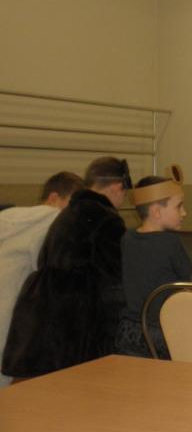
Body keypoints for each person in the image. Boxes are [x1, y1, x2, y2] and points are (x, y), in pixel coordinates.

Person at [2, 157, 131, 379]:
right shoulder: (107, 218)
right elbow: (114, 278)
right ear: (117, 188)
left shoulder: (66, 213)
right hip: (81, 315)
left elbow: (44, 259)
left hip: (46, 309)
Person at [0, 171, 84, 386]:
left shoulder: (8, 217)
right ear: (54, 197)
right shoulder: (53, 219)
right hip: (11, 308)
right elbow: (50, 270)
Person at [115, 174, 192, 359]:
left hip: (129, 328)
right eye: (179, 206)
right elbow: (191, 278)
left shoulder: (127, 237)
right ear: (157, 211)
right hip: (162, 330)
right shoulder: (170, 242)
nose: (184, 213)